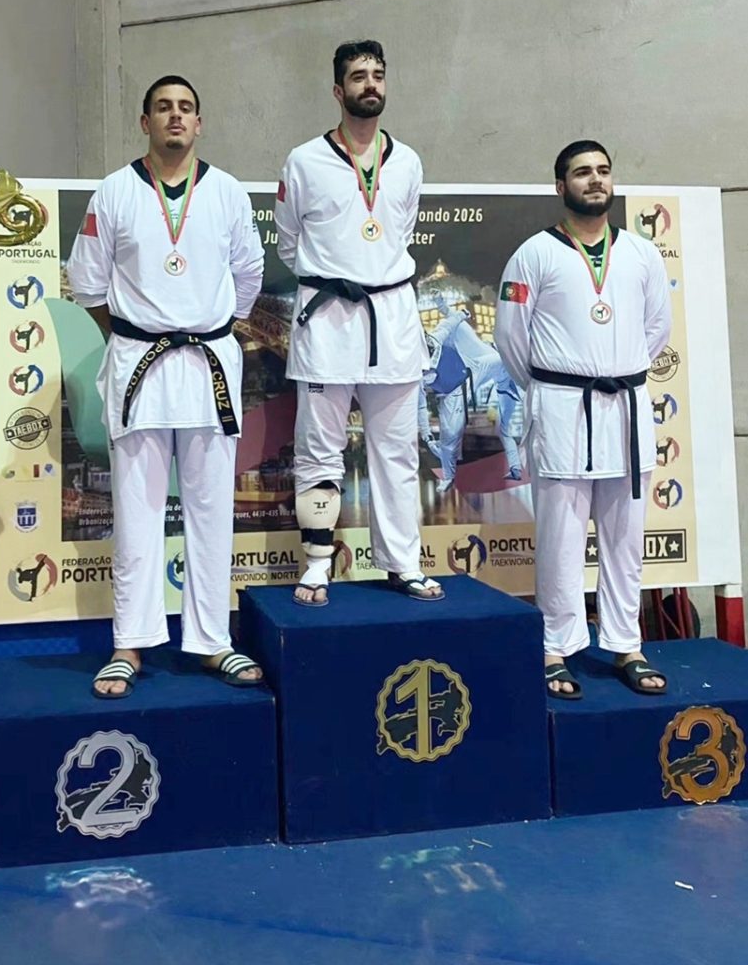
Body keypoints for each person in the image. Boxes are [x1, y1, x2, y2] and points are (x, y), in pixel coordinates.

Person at [67, 74, 265, 697]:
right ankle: (130, 642)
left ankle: (213, 641)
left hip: (208, 364)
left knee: (211, 509)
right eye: (163, 107)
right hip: (139, 366)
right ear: (144, 122)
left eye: (185, 108)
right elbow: (87, 282)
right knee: (137, 511)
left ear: (199, 123)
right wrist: (135, 334)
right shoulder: (115, 191)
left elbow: (249, 274)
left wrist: (210, 327)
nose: (175, 116)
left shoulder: (227, 192)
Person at [494, 140, 671, 699]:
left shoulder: (642, 253)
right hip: (563, 409)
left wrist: (615, 368)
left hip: (626, 408)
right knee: (561, 538)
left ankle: (625, 644)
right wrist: (553, 385)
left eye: (602, 170)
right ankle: (555, 646)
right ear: (560, 186)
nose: (595, 180)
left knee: (625, 537)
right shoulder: (534, 254)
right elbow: (510, 337)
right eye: (581, 172)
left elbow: (656, 328)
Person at [274, 40, 443, 606]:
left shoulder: (408, 161)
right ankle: (318, 562)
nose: (370, 84)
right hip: (327, 322)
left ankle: (403, 563)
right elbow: (289, 242)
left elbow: (400, 233)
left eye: (377, 75)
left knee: (397, 453)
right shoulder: (304, 161)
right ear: (337, 90)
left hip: (391, 319)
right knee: (318, 451)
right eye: (358, 76)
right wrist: (333, 274)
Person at [420, 297, 522, 494]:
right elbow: (420, 404)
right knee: (449, 437)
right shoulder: (414, 373)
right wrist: (426, 434)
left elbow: (451, 323)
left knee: (500, 362)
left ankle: (516, 467)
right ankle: (448, 477)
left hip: (472, 369)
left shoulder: (435, 338)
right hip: (452, 394)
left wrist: (450, 309)